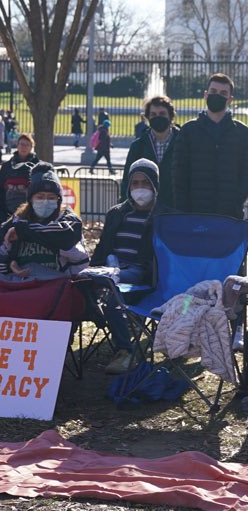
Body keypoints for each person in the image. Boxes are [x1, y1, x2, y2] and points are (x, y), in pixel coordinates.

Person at [88, 160, 168, 374]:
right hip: (110, 267)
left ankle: (125, 351)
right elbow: (104, 245)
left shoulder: (163, 216)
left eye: (145, 183)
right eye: (135, 183)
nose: (140, 188)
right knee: (79, 283)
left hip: (140, 272)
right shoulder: (117, 213)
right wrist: (90, 269)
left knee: (114, 294)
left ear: (155, 186)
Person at [172, 73, 248, 218]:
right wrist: (184, 206)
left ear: (230, 99)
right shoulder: (188, 130)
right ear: (205, 95)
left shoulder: (241, 132)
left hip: (229, 213)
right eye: (213, 92)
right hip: (194, 211)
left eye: (223, 93)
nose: (217, 96)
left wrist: (236, 201)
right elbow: (178, 171)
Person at [0, 164, 85, 282]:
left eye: (51, 197)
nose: (45, 201)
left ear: (58, 200)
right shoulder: (17, 220)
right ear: (30, 199)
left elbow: (67, 240)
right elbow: (3, 249)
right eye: (40, 197)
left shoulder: (69, 221)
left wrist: (25, 231)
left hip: (58, 287)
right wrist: (11, 263)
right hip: (21, 288)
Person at [120, 95, 180, 207]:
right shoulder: (138, 146)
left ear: (171, 116)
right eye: (153, 114)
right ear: (147, 118)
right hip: (144, 210)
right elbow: (127, 182)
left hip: (175, 210)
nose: (158, 117)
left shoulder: (183, 143)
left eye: (162, 114)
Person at [0, 133, 39, 222]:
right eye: (21, 144)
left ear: (31, 147)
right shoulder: (7, 166)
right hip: (7, 210)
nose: (23, 147)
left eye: (27, 145)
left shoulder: (37, 166)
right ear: (17, 146)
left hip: (29, 211)